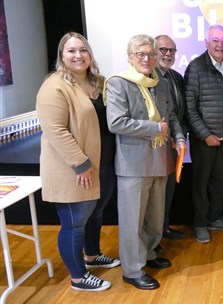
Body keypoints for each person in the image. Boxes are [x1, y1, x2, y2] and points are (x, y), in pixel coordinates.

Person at [36, 32, 118, 292]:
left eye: (83, 50)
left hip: (103, 164)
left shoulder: (99, 83)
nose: (78, 55)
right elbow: (55, 131)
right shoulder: (54, 86)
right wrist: (80, 164)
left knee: (95, 214)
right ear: (61, 55)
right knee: (74, 223)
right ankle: (78, 277)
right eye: (71, 51)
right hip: (75, 170)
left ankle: (92, 256)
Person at [106, 34, 185, 289]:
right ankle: (132, 269)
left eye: (150, 54)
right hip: (133, 165)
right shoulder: (119, 83)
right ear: (130, 57)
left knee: (154, 216)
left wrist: (180, 138)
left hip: (160, 159)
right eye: (141, 54)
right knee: (133, 221)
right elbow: (116, 123)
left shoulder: (159, 82)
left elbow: (171, 116)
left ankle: (149, 254)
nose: (147, 58)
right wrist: (153, 128)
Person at [184, 24, 223, 243]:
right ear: (206, 42)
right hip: (203, 140)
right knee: (200, 182)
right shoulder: (196, 67)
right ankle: (200, 223)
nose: (220, 44)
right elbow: (190, 107)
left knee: (221, 180)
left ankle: (215, 218)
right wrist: (205, 134)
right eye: (216, 40)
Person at [154, 34, 187, 247]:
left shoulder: (176, 77)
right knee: (156, 194)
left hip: (175, 144)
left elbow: (177, 113)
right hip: (155, 146)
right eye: (163, 50)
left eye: (172, 50)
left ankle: (163, 227)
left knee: (168, 190)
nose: (168, 54)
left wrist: (179, 137)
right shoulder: (148, 78)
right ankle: (155, 236)